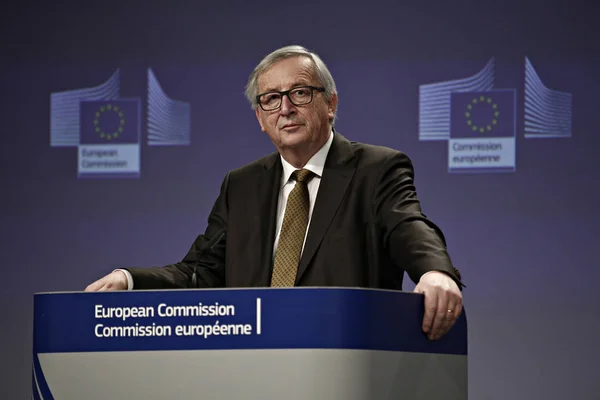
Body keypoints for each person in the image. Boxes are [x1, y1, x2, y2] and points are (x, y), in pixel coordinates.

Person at [86, 45, 464, 341]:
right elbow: (200, 272)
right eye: (271, 99)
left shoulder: (376, 169)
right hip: (255, 364)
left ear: (330, 104)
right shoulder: (242, 186)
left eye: (300, 93)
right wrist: (129, 279)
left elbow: (408, 226)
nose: (285, 108)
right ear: (260, 118)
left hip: (344, 358)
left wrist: (434, 272)